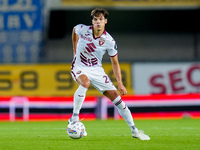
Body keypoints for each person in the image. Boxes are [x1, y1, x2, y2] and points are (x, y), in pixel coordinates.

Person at [69, 7, 150, 140]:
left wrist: (120, 83)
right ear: (92, 21)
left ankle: (134, 130)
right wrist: (75, 48)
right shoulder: (83, 29)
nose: (98, 22)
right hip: (79, 66)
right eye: (95, 19)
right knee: (85, 83)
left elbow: (115, 63)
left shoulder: (109, 41)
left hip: (97, 69)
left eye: (101, 19)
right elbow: (74, 30)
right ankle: (75, 118)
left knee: (117, 99)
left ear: (105, 21)